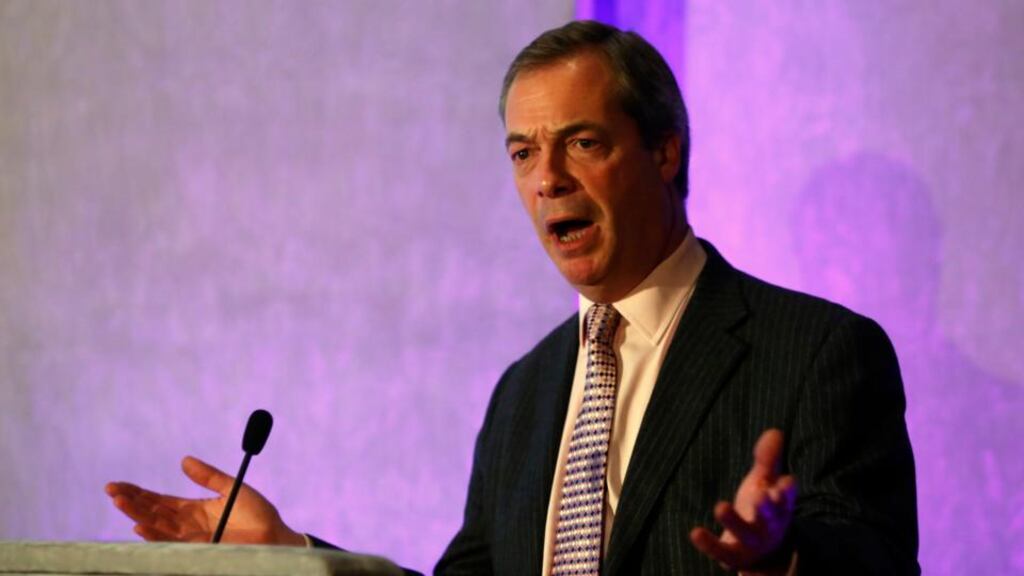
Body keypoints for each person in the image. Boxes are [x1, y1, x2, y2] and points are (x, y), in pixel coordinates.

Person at [106, 20, 919, 575]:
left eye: (583, 144)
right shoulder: (524, 393)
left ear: (665, 152)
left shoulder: (817, 350)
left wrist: (783, 556)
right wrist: (293, 553)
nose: (546, 179)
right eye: (523, 153)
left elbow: (878, 558)